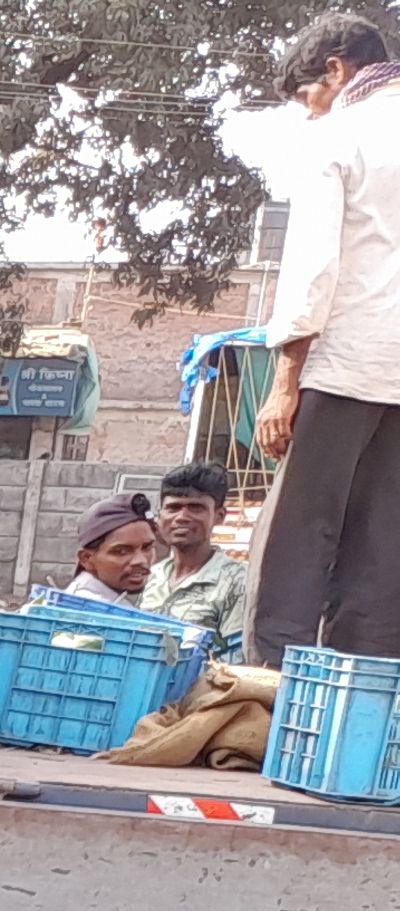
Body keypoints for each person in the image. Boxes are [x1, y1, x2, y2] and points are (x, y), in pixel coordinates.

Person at [249, 9, 400, 662]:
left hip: (344, 366)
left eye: (310, 96)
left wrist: (285, 382)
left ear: (336, 70)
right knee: (382, 552)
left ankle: (264, 702)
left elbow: (313, 267)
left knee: (296, 543)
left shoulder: (339, 136)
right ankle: (354, 711)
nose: (311, 113)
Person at [144, 462, 255, 636]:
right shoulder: (150, 576)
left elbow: (233, 656)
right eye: (173, 507)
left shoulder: (240, 581)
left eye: (196, 508)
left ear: (219, 516)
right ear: (159, 515)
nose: (182, 517)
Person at [56, 493, 161, 609]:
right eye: (121, 551)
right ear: (86, 558)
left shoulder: (111, 601)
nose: (141, 561)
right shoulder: (93, 610)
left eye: (147, 547)